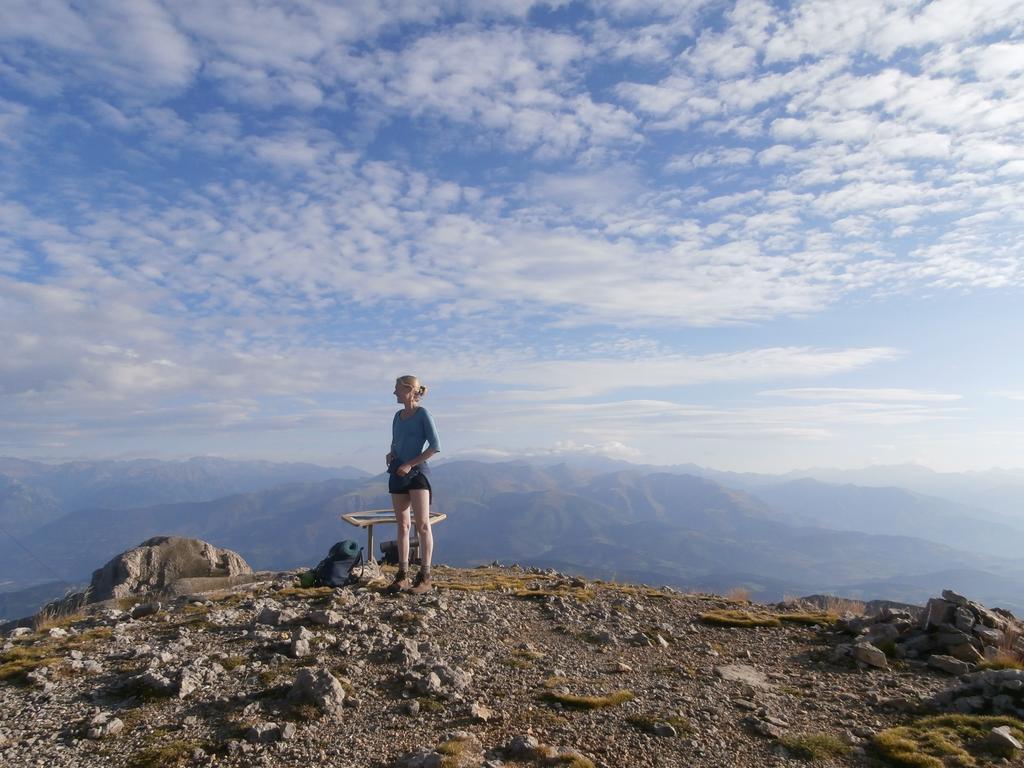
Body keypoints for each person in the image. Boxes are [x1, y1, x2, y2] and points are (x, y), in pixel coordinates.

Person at [385, 374, 441, 594]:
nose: (394, 392)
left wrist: (410, 464)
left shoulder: (422, 414)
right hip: (398, 472)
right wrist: (391, 453)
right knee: (403, 525)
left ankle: (425, 576)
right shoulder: (397, 416)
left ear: (410, 390)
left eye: (397, 389)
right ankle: (402, 575)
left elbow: (435, 445)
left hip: (417, 474)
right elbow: (396, 441)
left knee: (423, 525)